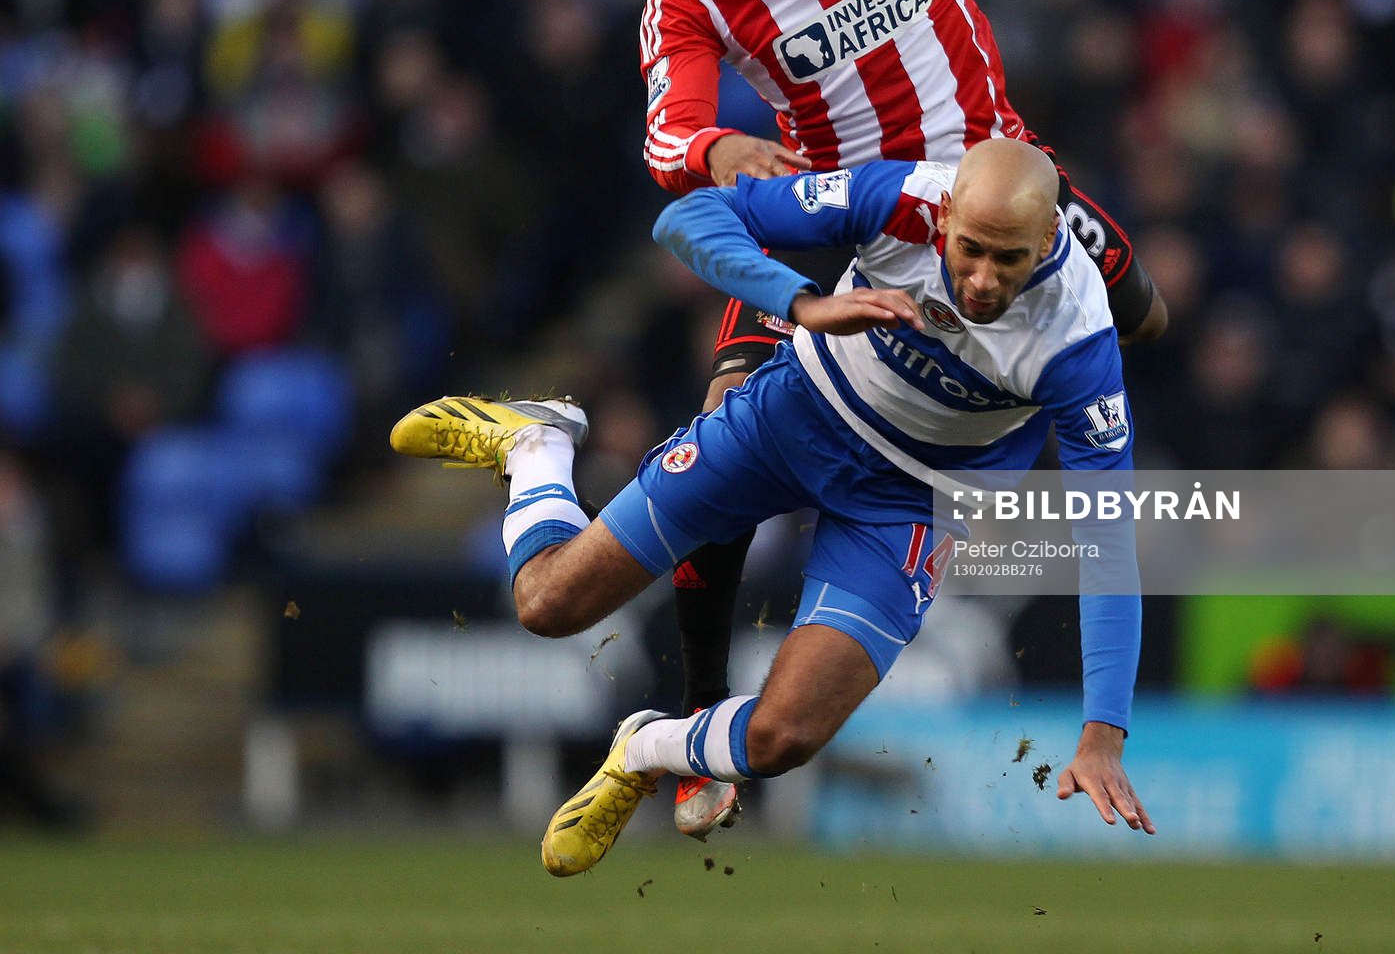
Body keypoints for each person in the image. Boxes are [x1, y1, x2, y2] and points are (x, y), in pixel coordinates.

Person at [609, 0, 1351, 835]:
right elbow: (665, 137)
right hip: (841, 219)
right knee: (723, 432)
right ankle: (695, 720)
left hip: (990, 197)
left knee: (1140, 308)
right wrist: (720, 147)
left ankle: (1117, 457)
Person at [392, 141, 1153, 876]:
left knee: (787, 736)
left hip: (910, 501)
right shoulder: (900, 198)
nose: (982, 280)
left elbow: (1107, 544)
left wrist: (1102, 734)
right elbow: (687, 220)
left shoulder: (1078, 341)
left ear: (1051, 236)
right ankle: (538, 445)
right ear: (947, 212)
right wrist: (801, 303)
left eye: (1008, 260)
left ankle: (644, 749)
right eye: (970, 250)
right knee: (548, 603)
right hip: (788, 420)